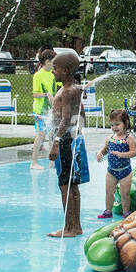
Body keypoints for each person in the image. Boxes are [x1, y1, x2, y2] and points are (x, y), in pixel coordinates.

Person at [48, 51, 85, 238]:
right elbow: (82, 116)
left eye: (56, 68)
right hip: (74, 141)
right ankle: (76, 226)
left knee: (65, 185)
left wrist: (56, 142)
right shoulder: (76, 89)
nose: (53, 71)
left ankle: (69, 228)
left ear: (66, 70)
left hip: (64, 142)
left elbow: (65, 119)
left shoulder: (68, 91)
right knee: (73, 185)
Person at [96, 108, 136, 218]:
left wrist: (122, 154)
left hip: (125, 171)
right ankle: (108, 211)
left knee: (125, 194)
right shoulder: (109, 138)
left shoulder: (129, 139)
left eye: (117, 124)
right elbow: (105, 149)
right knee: (109, 192)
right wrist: (100, 153)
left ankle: (126, 212)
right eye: (112, 125)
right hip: (111, 171)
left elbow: (134, 152)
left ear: (125, 123)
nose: (114, 127)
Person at [31, 48, 57, 169]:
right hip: (40, 111)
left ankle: (52, 162)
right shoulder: (38, 75)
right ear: (47, 61)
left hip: (51, 110)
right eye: (53, 61)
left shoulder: (53, 74)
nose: (55, 64)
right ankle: (34, 162)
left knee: (52, 135)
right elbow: (35, 94)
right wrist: (47, 95)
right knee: (41, 135)